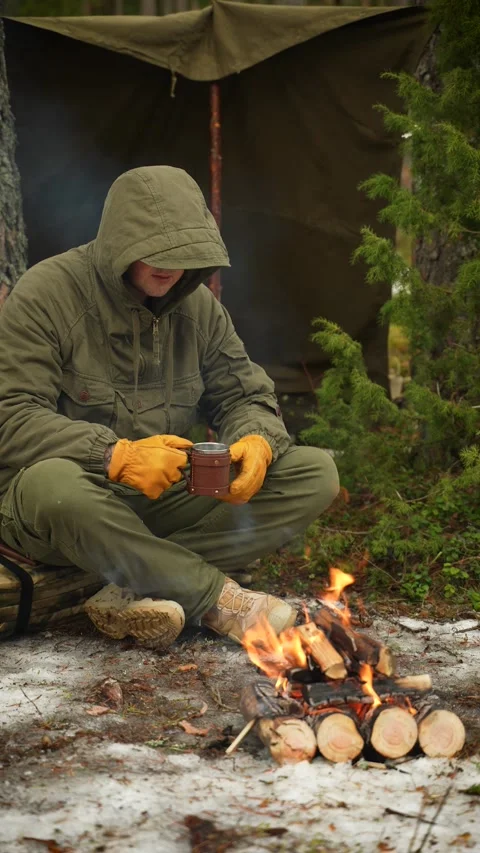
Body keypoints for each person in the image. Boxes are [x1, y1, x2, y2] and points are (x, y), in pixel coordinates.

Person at [0, 166, 339, 649]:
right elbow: (12, 417)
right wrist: (114, 455)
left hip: (162, 500)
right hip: (69, 506)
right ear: (119, 242)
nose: (170, 267)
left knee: (313, 473)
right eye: (156, 252)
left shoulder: (199, 308)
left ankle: (136, 580)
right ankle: (219, 600)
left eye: (184, 253)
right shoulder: (47, 294)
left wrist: (256, 438)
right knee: (52, 484)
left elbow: (244, 394)